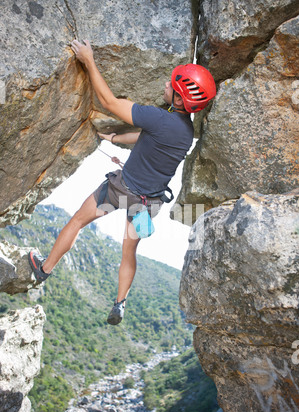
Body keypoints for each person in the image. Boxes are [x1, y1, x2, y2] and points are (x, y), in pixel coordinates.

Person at [28, 39, 216, 325]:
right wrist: (114, 138)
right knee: (129, 251)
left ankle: (45, 268)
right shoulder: (185, 132)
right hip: (146, 204)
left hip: (119, 190)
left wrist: (88, 60)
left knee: (78, 220)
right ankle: (120, 303)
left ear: (179, 99)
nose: (166, 84)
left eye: (172, 85)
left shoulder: (157, 117)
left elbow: (109, 102)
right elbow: (144, 138)